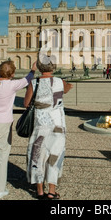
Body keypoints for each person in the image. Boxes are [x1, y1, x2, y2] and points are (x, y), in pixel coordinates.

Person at [0, 60, 37, 199]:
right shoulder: (12, 84)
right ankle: (0, 190)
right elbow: (28, 79)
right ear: (13, 73)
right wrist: (33, 70)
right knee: (2, 157)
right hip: (3, 122)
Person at [25, 55, 73, 200]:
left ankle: (40, 191)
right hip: (58, 124)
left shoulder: (35, 83)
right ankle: (52, 191)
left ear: (39, 67)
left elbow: (26, 103)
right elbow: (66, 89)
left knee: (37, 156)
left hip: (41, 123)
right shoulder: (60, 81)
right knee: (55, 155)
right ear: (53, 67)